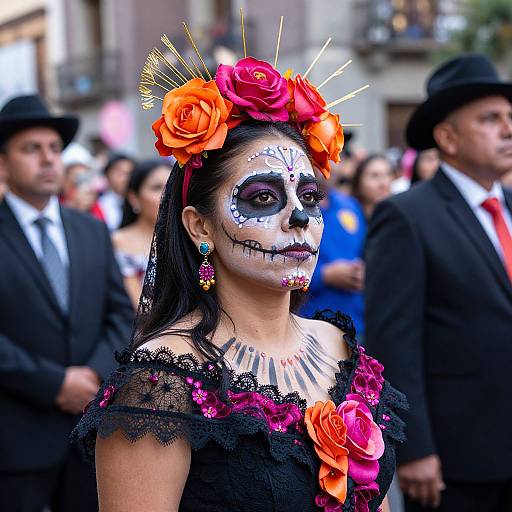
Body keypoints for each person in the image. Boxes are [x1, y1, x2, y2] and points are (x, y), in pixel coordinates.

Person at [72, 38, 406, 512]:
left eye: (310, 198)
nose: (300, 219)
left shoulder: (339, 345)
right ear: (200, 225)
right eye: (263, 199)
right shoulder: (162, 380)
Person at [365, 53, 512, 511]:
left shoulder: (508, 204)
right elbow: (393, 340)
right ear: (447, 137)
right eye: (490, 119)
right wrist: (414, 446)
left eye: (510, 117)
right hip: (457, 457)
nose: (508, 129)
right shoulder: (408, 215)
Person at [0, 94, 134, 512]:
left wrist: (93, 375)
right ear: (3, 163)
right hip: (16, 439)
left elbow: (121, 315)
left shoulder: (91, 231)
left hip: (91, 433)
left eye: (54, 149)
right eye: (31, 149)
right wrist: (54, 383)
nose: (47, 160)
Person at [301, 176, 367, 338]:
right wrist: (325, 275)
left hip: (354, 323)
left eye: (332, 158)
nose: (328, 167)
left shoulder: (349, 205)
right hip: (310, 324)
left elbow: (364, 252)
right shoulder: (295, 209)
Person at [112, 158, 172, 309]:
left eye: (171, 187)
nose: (167, 195)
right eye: (156, 188)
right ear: (134, 198)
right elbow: (141, 309)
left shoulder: (190, 238)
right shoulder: (118, 242)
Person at [91, 153, 135, 230]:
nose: (125, 178)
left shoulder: (139, 203)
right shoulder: (99, 204)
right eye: (119, 173)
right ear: (107, 175)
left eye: (129, 173)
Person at [351, 154, 394, 219]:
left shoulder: (397, 216)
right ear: (359, 181)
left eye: (387, 175)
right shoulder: (348, 215)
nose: (384, 184)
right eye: (375, 176)